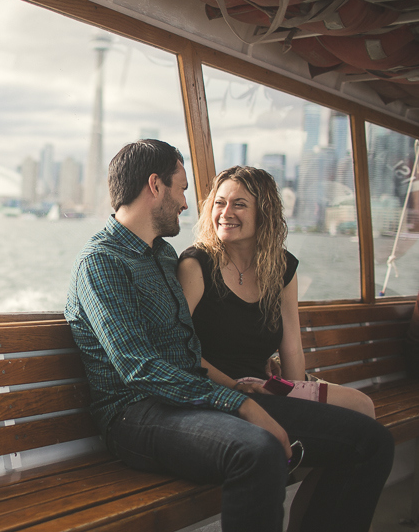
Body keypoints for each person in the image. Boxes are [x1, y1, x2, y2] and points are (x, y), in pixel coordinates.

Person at [65, 139, 393, 532]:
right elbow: (140, 368)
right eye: (183, 189)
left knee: (371, 442)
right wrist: (240, 403)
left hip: (189, 399)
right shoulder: (101, 262)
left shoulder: (162, 255)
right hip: (136, 412)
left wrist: (255, 389)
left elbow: (189, 346)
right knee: (257, 451)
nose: (188, 203)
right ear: (155, 186)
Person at [177, 166, 375, 418]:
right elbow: (178, 346)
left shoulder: (281, 268)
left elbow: (291, 348)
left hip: (266, 387)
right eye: (219, 203)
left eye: (239, 204)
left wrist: (296, 398)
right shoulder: (196, 264)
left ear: (264, 213)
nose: (226, 213)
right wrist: (235, 386)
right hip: (220, 390)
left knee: (362, 405)